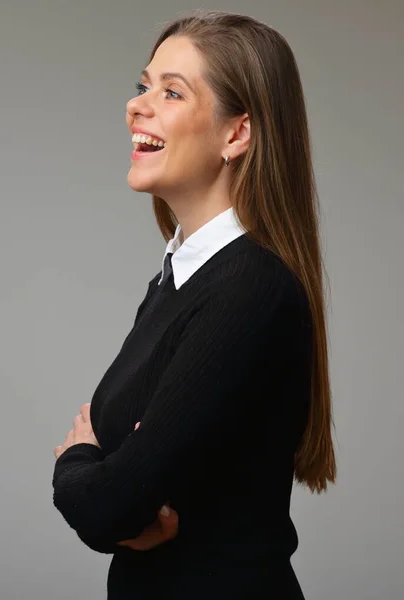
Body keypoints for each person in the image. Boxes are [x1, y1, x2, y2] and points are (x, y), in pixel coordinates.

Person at [51, 9, 336, 599]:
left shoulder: (249, 289)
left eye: (172, 92)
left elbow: (108, 505)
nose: (137, 105)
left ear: (236, 134)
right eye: (143, 85)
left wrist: (77, 459)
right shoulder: (175, 282)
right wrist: (114, 483)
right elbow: (123, 498)